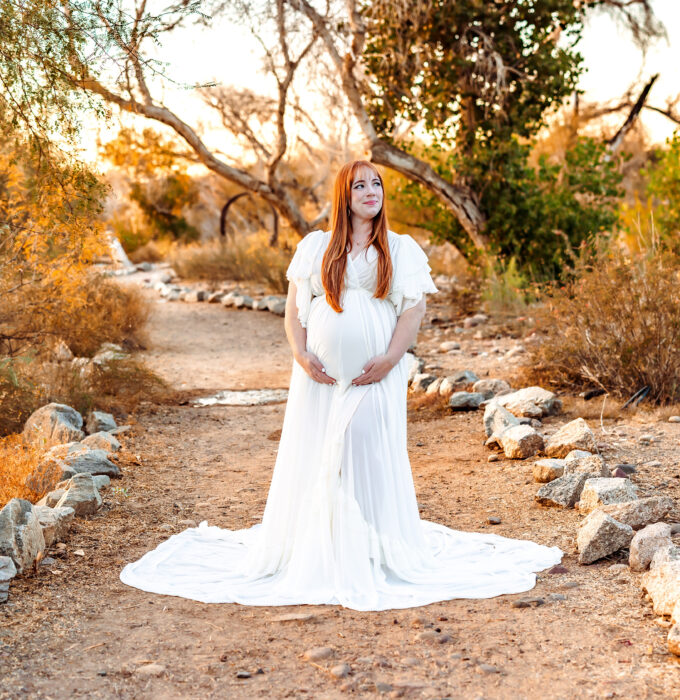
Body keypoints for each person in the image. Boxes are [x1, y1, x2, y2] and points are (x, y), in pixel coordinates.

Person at [120, 160, 562, 611]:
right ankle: (326, 543)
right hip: (320, 375)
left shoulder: (399, 247)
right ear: (343, 195)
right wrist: (301, 352)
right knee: (321, 447)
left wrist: (391, 358)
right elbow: (295, 310)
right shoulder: (316, 246)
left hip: (377, 371)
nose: (372, 191)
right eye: (360, 185)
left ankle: (369, 544)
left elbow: (412, 310)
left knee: (363, 442)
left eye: (377, 184)